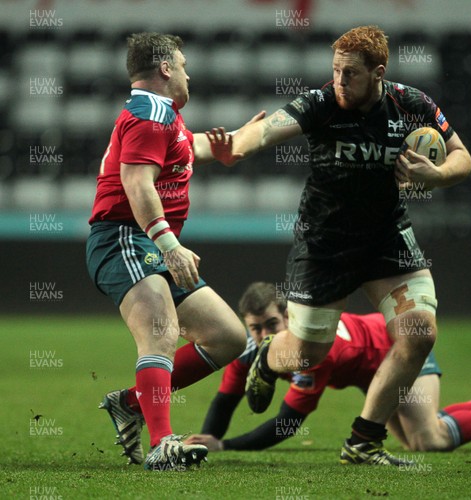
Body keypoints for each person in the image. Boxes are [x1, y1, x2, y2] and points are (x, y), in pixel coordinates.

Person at [206, 25, 471, 464]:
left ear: (378, 72)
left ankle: (363, 439)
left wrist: (438, 174)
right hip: (325, 243)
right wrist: (236, 148)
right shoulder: (322, 103)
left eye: (349, 73)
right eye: (335, 71)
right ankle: (269, 360)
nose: (339, 81)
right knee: (309, 352)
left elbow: (463, 155)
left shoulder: (412, 104)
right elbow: (271, 127)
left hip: (387, 237)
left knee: (419, 334)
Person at [86, 32, 262, 471]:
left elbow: (189, 146)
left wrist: (234, 141)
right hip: (125, 237)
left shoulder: (164, 116)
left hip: (147, 240)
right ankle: (163, 443)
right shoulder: (149, 114)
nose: (188, 73)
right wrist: (170, 245)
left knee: (228, 337)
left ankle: (130, 403)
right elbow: (136, 183)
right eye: (182, 65)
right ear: (166, 69)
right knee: (161, 332)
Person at [190, 282, 471, 459]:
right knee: (414, 438)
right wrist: (205, 441)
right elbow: (226, 399)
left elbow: (289, 421)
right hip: (373, 373)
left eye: (271, 325)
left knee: (429, 439)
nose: (262, 335)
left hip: (400, 354)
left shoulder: (315, 352)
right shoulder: (255, 351)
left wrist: (225, 446)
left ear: (290, 316)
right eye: (254, 328)